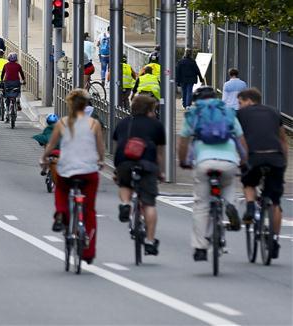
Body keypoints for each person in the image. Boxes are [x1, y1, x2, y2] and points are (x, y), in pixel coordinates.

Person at [179, 86, 246, 261]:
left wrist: (183, 161)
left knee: (201, 204)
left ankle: (200, 248)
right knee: (229, 184)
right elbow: (241, 139)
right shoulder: (228, 112)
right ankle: (230, 205)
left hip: (204, 162)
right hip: (229, 160)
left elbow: (184, 142)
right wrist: (244, 160)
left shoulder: (193, 114)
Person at [41, 89, 105, 263]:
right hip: (89, 172)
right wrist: (101, 160)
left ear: (69, 104)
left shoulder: (62, 123)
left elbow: (51, 145)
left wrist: (44, 159)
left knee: (61, 189)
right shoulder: (94, 124)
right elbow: (100, 148)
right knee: (89, 210)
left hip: (67, 169)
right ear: (86, 105)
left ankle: (61, 212)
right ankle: (88, 252)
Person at [112, 95, 165, 256]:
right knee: (149, 204)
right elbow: (159, 153)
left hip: (124, 162)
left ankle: (126, 204)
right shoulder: (156, 125)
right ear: (149, 110)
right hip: (147, 163)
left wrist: (117, 168)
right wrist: (160, 172)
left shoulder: (124, 123)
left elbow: (117, 145)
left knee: (124, 184)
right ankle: (149, 241)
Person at [237, 88, 286, 258]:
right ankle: (274, 240)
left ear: (249, 101)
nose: (239, 105)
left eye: (240, 102)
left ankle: (250, 206)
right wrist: (283, 161)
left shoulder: (241, 115)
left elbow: (238, 138)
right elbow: (283, 140)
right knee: (275, 202)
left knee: (249, 182)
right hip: (275, 157)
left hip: (254, 157)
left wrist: (240, 160)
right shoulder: (274, 112)